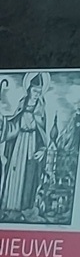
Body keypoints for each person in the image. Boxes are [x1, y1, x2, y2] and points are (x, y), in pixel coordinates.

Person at [1, 72, 47, 218]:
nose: (36, 94)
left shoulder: (41, 108)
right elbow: (14, 124)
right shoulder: (22, 103)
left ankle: (24, 207)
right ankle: (10, 206)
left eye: (39, 91)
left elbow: (42, 132)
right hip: (19, 143)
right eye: (35, 91)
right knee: (14, 171)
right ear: (29, 89)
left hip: (32, 143)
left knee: (28, 174)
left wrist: (42, 149)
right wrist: (4, 123)